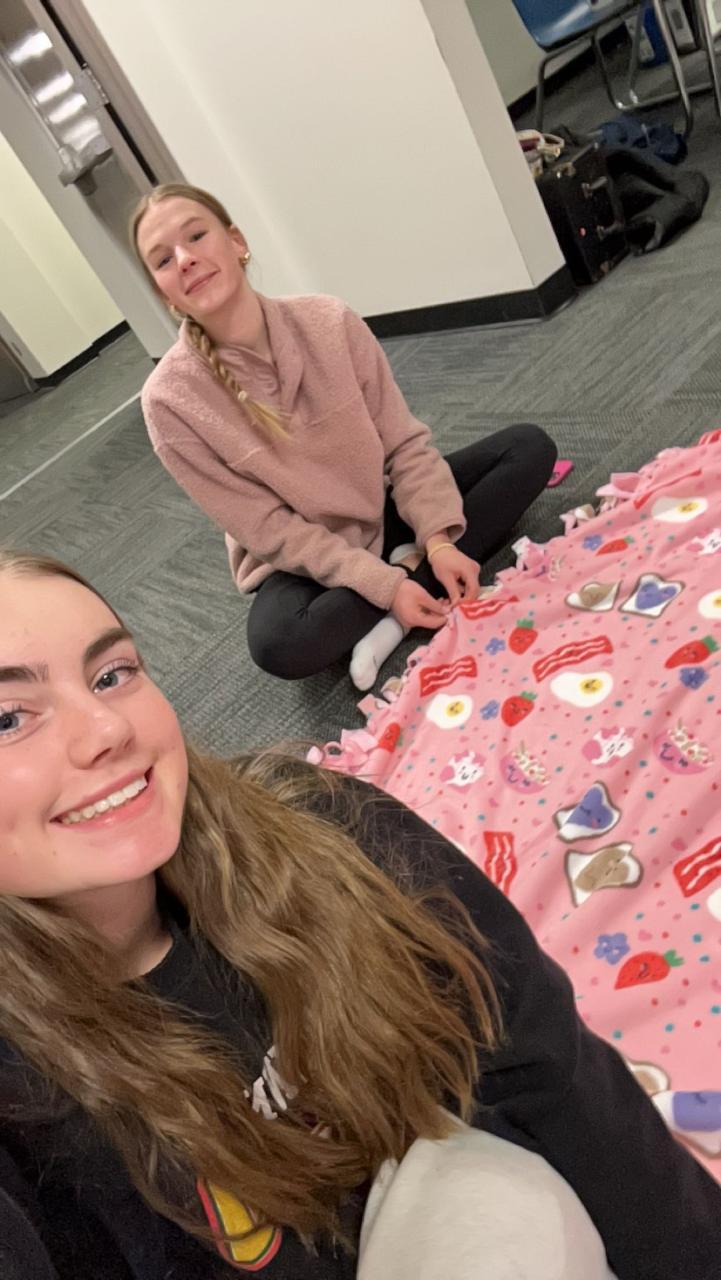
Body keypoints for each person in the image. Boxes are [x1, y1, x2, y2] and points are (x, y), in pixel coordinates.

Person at [0, 549, 720, 1280]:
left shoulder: (324, 829)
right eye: (8, 719)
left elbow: (552, 1074)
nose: (105, 729)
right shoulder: (27, 1110)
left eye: (112, 674)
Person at [132, 183, 557, 689]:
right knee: (279, 643)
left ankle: (405, 592)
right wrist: (382, 584)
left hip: (380, 507)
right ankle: (407, 589)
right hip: (304, 561)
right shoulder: (169, 401)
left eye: (196, 236)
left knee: (527, 448)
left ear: (236, 241)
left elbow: (403, 445)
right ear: (162, 291)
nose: (184, 260)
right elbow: (268, 530)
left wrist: (438, 540)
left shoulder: (328, 320)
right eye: (163, 260)